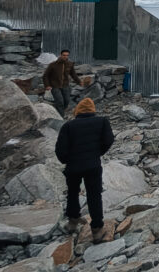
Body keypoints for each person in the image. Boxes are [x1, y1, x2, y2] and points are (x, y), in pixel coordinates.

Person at [54, 97, 114, 242]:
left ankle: (72, 222)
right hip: (93, 166)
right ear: (93, 110)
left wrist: (67, 161)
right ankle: (97, 230)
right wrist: (97, 153)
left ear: (77, 111)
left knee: (73, 193)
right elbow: (109, 140)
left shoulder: (68, 126)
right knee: (94, 195)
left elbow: (60, 150)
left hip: (73, 167)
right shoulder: (102, 122)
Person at [42, 49, 82, 115]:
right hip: (55, 86)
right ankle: (61, 116)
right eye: (64, 55)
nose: (65, 57)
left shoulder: (70, 64)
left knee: (67, 101)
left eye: (67, 55)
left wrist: (79, 82)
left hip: (65, 85)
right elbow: (45, 75)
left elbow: (73, 74)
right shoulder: (53, 64)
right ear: (60, 55)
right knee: (60, 102)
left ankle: (59, 111)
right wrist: (47, 85)